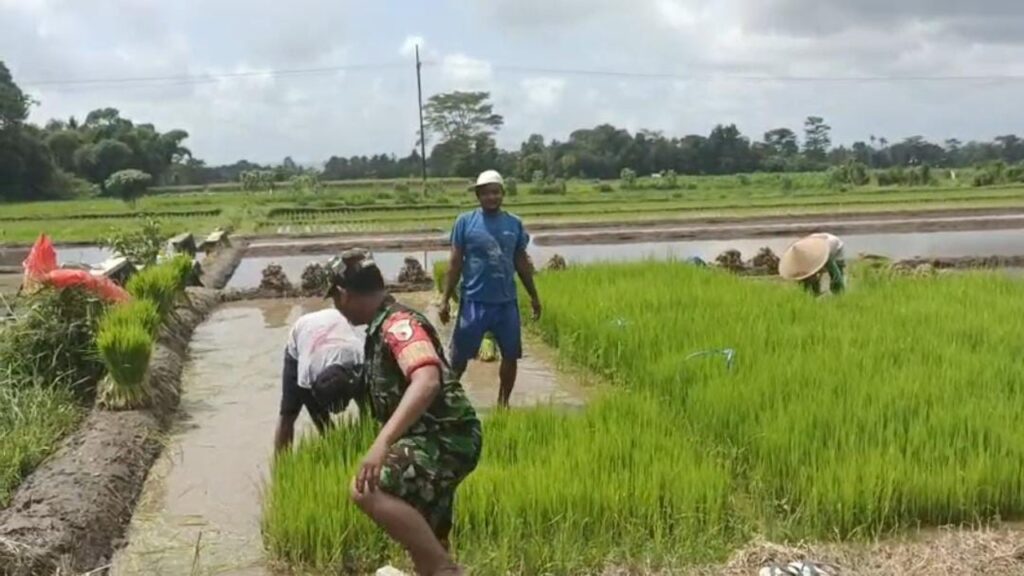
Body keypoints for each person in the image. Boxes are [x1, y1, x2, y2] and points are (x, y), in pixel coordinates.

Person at [329, 258, 481, 576]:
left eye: (334, 298)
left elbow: (426, 380)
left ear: (343, 294)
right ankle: (439, 566)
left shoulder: (399, 324)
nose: (337, 307)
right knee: (427, 536)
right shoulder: (380, 327)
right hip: (432, 436)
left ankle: (444, 568)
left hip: (445, 437)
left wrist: (382, 444)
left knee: (367, 488)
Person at [439, 169, 541, 407]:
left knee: (511, 354)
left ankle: (503, 404)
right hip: (474, 301)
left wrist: (534, 296)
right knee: (459, 356)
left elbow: (521, 261)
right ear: (478, 196)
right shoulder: (465, 222)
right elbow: (455, 262)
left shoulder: (514, 224)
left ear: (503, 193)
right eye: (486, 194)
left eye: (495, 192)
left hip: (506, 303)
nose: (491, 197)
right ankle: (448, 402)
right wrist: (444, 298)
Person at [273, 254, 368, 454]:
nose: (338, 413)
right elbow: (318, 416)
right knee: (288, 413)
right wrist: (336, 446)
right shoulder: (307, 372)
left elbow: (367, 407)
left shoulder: (360, 360)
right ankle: (281, 464)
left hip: (335, 325)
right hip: (301, 339)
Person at [779, 232, 847, 296]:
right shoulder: (803, 253)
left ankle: (839, 294)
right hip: (817, 242)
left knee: (835, 274)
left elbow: (836, 275)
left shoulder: (824, 253)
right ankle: (813, 292)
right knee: (809, 275)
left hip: (834, 246)